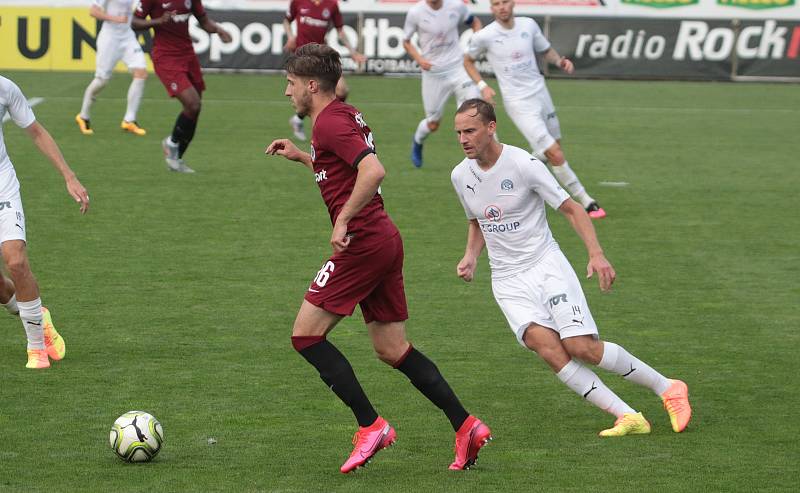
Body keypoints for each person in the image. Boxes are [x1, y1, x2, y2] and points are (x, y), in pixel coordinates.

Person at [265, 44, 490, 473]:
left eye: (291, 84)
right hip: (384, 239)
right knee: (391, 348)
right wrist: (304, 158)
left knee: (305, 336)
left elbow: (373, 170)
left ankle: (371, 426)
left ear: (312, 85)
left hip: (363, 241)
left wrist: (342, 220)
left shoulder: (329, 122)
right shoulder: (344, 114)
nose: (287, 92)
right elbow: (343, 166)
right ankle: (465, 426)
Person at [450, 99, 691, 436]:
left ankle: (668, 387)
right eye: (459, 132)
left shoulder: (524, 164)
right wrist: (471, 256)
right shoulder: (461, 175)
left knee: (582, 347)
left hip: (545, 265)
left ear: (491, 128)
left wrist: (596, 253)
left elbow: (572, 209)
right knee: (546, 348)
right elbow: (477, 222)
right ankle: (627, 416)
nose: (463, 139)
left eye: (470, 131)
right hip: (507, 280)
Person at [464, 0, 606, 219]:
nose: (501, 7)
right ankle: (586, 200)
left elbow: (545, 50)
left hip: (541, 93)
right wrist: (483, 87)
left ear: (513, 4)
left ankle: (522, 170)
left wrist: (560, 62)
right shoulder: (485, 35)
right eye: (495, 4)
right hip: (518, 103)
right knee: (555, 153)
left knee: (555, 146)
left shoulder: (528, 25)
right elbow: (468, 61)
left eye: (505, 2)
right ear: (491, 8)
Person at [0, 75, 90, 368]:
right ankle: (39, 317)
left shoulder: (5, 88)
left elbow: (36, 132)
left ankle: (36, 348)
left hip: (2, 185)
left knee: (15, 260)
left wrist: (69, 176)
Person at [132, 0, 231, 173]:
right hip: (166, 57)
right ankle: (171, 143)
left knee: (195, 109)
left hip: (188, 55)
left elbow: (204, 20)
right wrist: (157, 21)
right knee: (193, 104)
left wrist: (219, 30)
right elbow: (134, 22)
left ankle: (176, 159)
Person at [402, 0, 482, 168]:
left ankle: (482, 157)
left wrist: (475, 45)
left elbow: (474, 22)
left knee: (475, 109)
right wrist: (419, 59)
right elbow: (406, 41)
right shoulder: (416, 12)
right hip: (434, 73)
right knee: (433, 123)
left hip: (458, 68)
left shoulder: (456, 5)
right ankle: (417, 141)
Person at [283, 0, 366, 141]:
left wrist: (353, 52)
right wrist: (291, 37)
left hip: (321, 55)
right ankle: (321, 130)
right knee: (308, 95)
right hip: (302, 57)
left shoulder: (332, 4)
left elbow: (340, 31)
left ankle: (301, 120)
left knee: (342, 90)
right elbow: (286, 21)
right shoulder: (298, 2)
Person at [75, 0, 149, 137]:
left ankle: (129, 120)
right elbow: (93, 11)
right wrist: (116, 18)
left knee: (141, 73)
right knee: (101, 80)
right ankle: (83, 116)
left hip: (128, 37)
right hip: (110, 38)